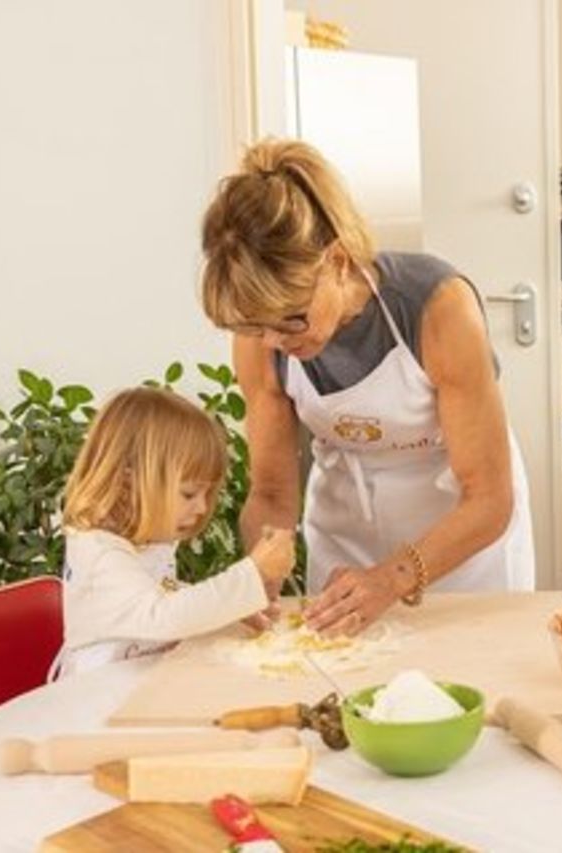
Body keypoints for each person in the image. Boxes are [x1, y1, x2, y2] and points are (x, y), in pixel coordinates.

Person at [199, 139, 535, 635]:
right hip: (346, 531)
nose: (273, 341)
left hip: (460, 539)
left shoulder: (437, 307)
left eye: (292, 320)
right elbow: (271, 491)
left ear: (336, 261)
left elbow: (488, 498)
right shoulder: (261, 331)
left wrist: (392, 579)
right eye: (257, 328)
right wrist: (260, 572)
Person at [59, 388, 295, 677]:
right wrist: (252, 573)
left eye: (208, 493)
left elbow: (159, 592)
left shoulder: (140, 541)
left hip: (137, 688)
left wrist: (231, 608)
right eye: (189, 493)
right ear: (128, 481)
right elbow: (162, 616)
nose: (201, 507)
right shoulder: (101, 553)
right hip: (94, 702)